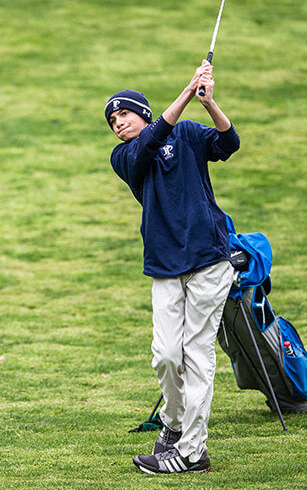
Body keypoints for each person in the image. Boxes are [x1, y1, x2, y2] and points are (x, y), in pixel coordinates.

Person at [106, 61, 240, 473]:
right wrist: (186, 91)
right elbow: (150, 144)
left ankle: (192, 452)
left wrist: (209, 102)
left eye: (124, 113)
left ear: (143, 113)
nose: (117, 123)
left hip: (208, 259)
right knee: (165, 355)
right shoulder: (125, 156)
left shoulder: (185, 132)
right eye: (111, 120)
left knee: (197, 354)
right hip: (164, 264)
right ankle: (175, 423)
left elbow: (228, 143)